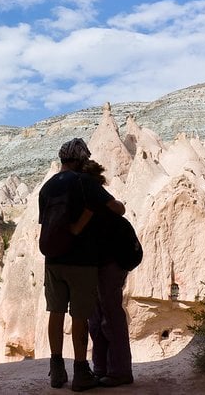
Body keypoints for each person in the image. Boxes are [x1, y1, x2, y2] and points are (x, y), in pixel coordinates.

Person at [38, 138, 125, 391]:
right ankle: (80, 371)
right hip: (81, 261)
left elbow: (46, 224)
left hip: (53, 260)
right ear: (80, 159)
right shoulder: (85, 183)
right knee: (80, 316)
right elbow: (116, 209)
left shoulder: (47, 188)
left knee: (55, 313)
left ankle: (56, 370)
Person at [84, 162, 134, 387]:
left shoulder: (99, 198)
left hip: (109, 263)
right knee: (97, 318)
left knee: (109, 316)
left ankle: (120, 371)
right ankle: (102, 368)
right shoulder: (94, 199)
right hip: (96, 264)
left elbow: (119, 209)